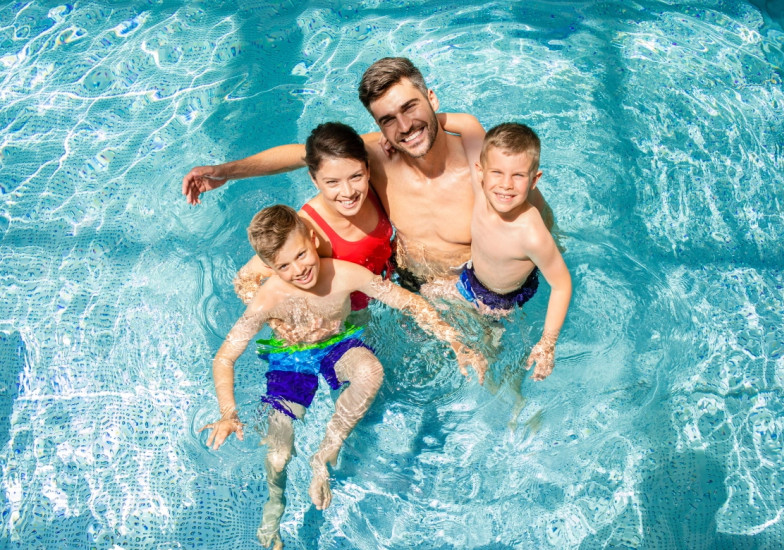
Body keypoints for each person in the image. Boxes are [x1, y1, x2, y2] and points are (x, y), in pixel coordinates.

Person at [200, 205, 486, 550]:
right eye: (283, 267)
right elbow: (225, 357)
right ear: (270, 269)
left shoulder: (344, 275)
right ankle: (274, 507)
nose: (298, 270)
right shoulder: (268, 299)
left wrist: (453, 338)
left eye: (301, 255)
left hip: (336, 344)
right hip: (291, 360)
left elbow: (408, 302)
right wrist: (228, 413)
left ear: (313, 239)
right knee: (278, 454)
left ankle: (325, 452)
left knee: (371, 370)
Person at [182, 57, 553, 290]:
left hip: (478, 289)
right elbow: (303, 154)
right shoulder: (375, 157)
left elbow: (536, 219)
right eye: (388, 120)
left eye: (411, 108)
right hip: (407, 285)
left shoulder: (481, 167)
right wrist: (225, 172)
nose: (405, 127)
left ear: (433, 100)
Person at [422, 122, 572, 381]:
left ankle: (513, 401)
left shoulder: (531, 233)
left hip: (500, 303)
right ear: (480, 172)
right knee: (424, 296)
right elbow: (468, 128)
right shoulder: (482, 193)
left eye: (518, 176)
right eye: (498, 173)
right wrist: (421, 125)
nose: (506, 185)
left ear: (535, 180)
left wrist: (547, 344)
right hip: (469, 281)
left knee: (489, 364)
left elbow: (562, 285)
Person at [234, 122, 393, 315]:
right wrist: (277, 317)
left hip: (387, 285)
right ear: (314, 179)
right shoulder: (307, 228)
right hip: (349, 314)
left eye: (355, 177)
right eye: (332, 182)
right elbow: (245, 280)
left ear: (367, 169)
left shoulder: (375, 189)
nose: (348, 192)